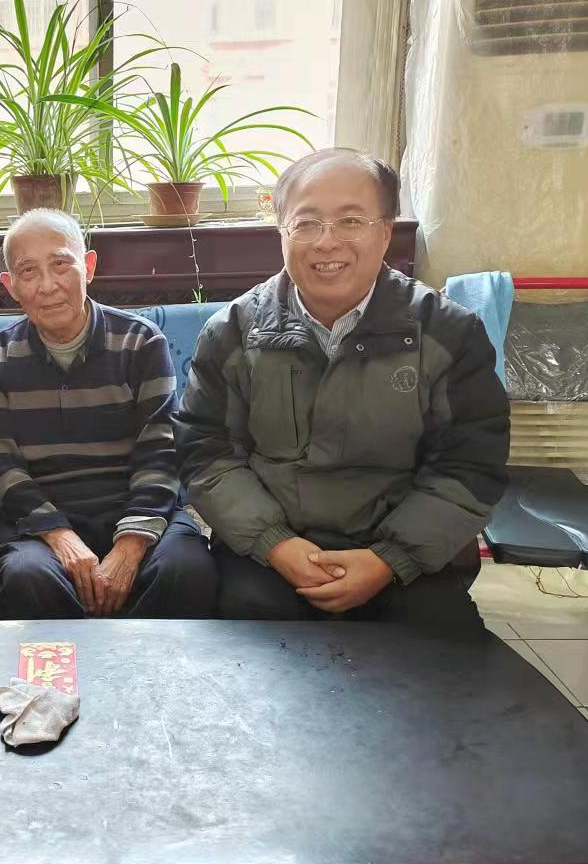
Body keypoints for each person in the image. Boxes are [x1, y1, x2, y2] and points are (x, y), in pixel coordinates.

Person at [175, 149, 509, 626]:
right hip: (269, 554)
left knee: (439, 659)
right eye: (306, 224)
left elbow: (470, 464)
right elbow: (207, 453)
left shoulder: (449, 334)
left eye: (351, 221)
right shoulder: (232, 332)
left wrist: (388, 560)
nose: (326, 242)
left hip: (408, 559)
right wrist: (277, 545)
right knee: (246, 650)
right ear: (281, 233)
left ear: (386, 231)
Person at [0, 208, 216, 620]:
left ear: (88, 266)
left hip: (135, 507)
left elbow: (161, 451)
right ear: (11, 285)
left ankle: (139, 663)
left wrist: (130, 545)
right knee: (29, 577)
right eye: (28, 271)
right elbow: (0, 465)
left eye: (60, 264)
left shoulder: (141, 342)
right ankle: (65, 666)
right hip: (39, 521)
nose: (48, 285)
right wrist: (59, 535)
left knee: (187, 571)